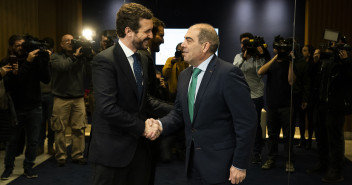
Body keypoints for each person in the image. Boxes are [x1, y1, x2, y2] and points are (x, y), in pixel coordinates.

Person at [147, 23, 257, 185]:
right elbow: (178, 113)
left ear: (205, 46)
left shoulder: (228, 74)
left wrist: (239, 164)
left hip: (222, 167)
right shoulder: (185, 76)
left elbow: (246, 122)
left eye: (188, 40)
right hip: (192, 163)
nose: (182, 45)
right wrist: (159, 124)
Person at [88, 3, 172, 185]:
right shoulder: (104, 61)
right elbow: (107, 108)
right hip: (112, 153)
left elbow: (145, 100)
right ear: (128, 31)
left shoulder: (142, 57)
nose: (151, 35)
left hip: (140, 152)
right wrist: (143, 127)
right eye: (147, 31)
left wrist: (177, 110)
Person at [0, 34, 51, 180]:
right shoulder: (7, 62)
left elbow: (46, 79)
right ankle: (8, 169)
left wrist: (44, 60)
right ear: (11, 47)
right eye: (17, 45)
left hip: (34, 106)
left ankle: (28, 167)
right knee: (12, 141)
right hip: (16, 109)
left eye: (23, 45)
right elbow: (15, 84)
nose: (21, 48)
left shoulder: (33, 61)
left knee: (33, 141)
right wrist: (28, 62)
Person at [306, 37, 352, 183]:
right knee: (320, 135)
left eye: (334, 44)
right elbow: (312, 77)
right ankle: (323, 162)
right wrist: (314, 61)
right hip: (321, 104)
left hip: (335, 106)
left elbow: (349, 79)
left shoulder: (345, 63)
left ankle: (336, 170)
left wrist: (345, 61)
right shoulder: (325, 61)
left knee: (335, 138)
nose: (331, 46)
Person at [50, 34, 92, 167]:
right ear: (61, 44)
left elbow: (91, 71)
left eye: (71, 40)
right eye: (66, 41)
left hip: (78, 98)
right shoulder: (55, 57)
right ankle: (61, 156)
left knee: (79, 128)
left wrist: (88, 53)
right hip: (60, 98)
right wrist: (75, 57)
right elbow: (63, 67)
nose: (69, 42)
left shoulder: (81, 58)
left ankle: (77, 155)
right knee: (59, 129)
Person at [258, 36, 295, 172]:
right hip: (272, 105)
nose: (280, 51)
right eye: (278, 49)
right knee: (272, 135)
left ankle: (289, 161)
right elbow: (260, 71)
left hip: (286, 106)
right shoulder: (272, 63)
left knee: (288, 136)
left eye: (282, 49)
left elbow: (291, 81)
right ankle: (271, 158)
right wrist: (275, 58)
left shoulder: (289, 63)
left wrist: (290, 62)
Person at [233, 32, 267, 164]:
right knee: (239, 124)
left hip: (256, 95)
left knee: (256, 124)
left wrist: (257, 57)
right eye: (243, 42)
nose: (244, 45)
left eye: (247, 42)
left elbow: (260, 74)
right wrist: (244, 59)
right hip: (241, 96)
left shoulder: (258, 57)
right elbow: (234, 71)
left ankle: (257, 152)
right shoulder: (238, 56)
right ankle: (240, 151)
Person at [37, 37, 55, 156]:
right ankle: (39, 146)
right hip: (38, 94)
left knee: (52, 121)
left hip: (52, 94)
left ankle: (50, 145)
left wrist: (49, 59)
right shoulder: (37, 59)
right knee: (40, 122)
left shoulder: (54, 59)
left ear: (52, 49)